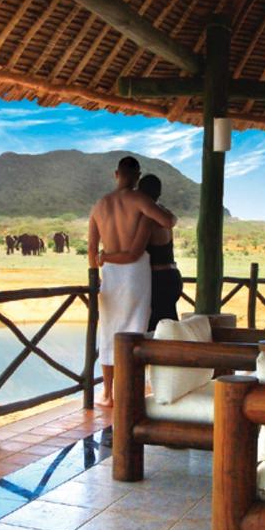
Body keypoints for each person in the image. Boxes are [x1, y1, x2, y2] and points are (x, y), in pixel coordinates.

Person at [88, 157, 177, 408]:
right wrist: (167, 212)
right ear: (137, 176)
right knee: (135, 330)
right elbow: (168, 222)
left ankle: (107, 394)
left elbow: (92, 250)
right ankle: (131, 390)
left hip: (109, 273)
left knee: (108, 331)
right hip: (135, 272)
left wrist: (96, 276)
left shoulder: (99, 205)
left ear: (116, 174)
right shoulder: (139, 199)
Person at [99, 174, 182, 331]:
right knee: (168, 331)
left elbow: (133, 254)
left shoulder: (149, 219)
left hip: (159, 282)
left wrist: (105, 257)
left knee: (156, 333)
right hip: (171, 277)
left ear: (140, 194)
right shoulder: (164, 213)